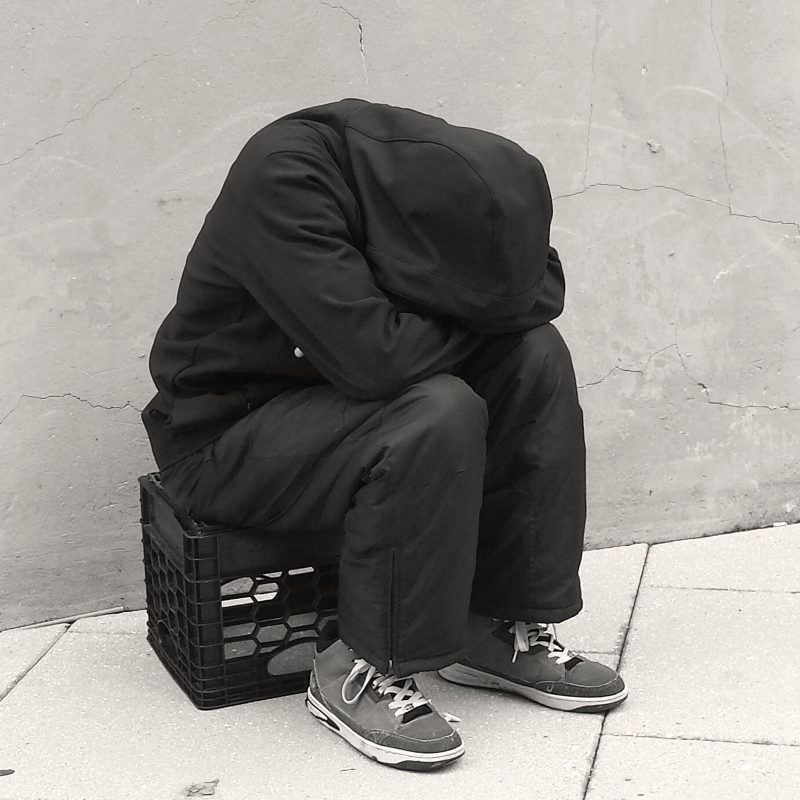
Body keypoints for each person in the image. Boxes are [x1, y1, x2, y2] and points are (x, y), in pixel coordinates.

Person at [141, 98, 627, 771]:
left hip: (349, 399)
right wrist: (482, 314)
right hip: (229, 435)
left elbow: (538, 300)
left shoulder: (461, 186)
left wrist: (486, 310)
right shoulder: (284, 182)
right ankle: (357, 666)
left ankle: (492, 628)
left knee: (534, 355)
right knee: (436, 409)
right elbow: (377, 361)